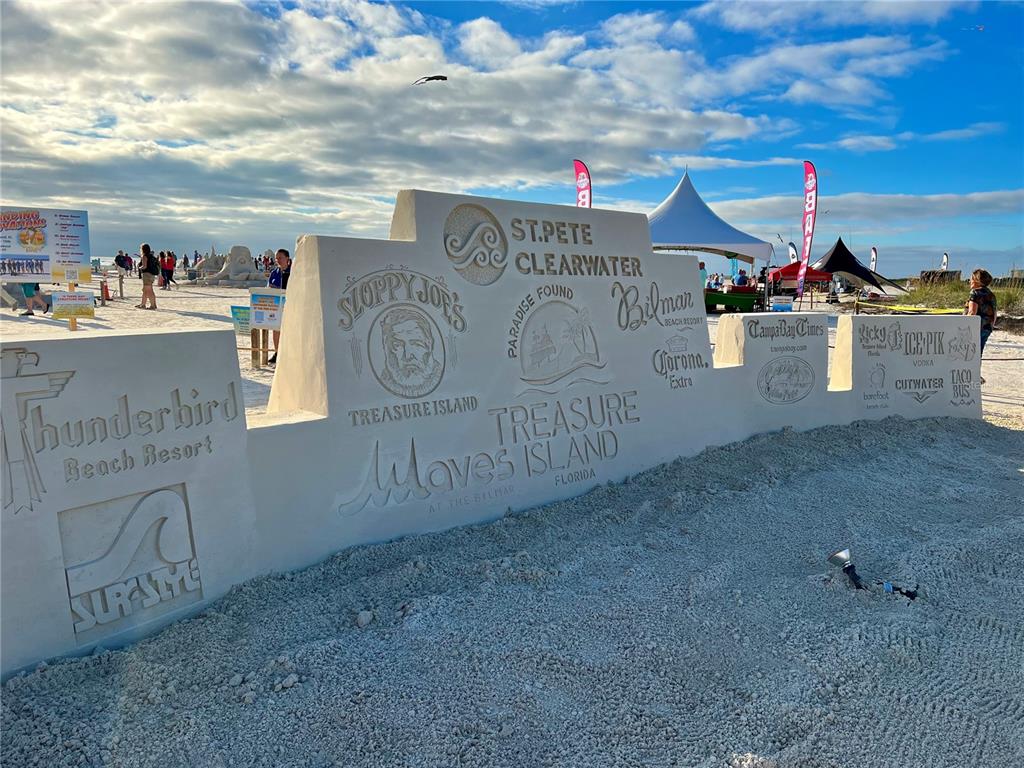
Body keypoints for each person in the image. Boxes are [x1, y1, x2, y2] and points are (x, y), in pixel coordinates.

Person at [965, 268, 996, 365]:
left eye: (971, 278)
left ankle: (973, 374)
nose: (970, 281)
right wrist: (990, 326)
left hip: (974, 328)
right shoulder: (991, 294)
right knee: (978, 353)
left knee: (970, 353)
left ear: (976, 280)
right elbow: (994, 313)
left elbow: (972, 313)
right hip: (987, 327)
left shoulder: (975, 293)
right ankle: (977, 373)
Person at [267, 248, 291, 363]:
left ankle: (289, 353)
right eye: (276, 258)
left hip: (291, 305)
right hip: (276, 306)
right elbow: (269, 288)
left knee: (290, 330)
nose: (278, 260)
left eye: (280, 258)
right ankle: (277, 352)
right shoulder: (274, 273)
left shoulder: (294, 272)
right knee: (276, 329)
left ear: (287, 258)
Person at [137, 243, 159, 309]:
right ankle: (143, 304)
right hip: (152, 275)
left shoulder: (145, 256)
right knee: (146, 290)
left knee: (149, 291)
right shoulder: (152, 256)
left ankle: (152, 306)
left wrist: (139, 267)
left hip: (147, 274)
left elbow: (144, 266)